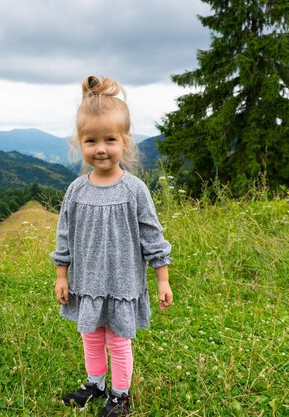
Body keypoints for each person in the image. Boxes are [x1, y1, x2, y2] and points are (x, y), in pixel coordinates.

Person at [51, 75, 173, 417]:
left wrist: (162, 279)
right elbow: (65, 236)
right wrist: (62, 276)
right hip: (87, 283)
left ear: (125, 141)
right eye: (91, 140)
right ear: (80, 143)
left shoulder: (134, 190)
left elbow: (153, 237)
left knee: (118, 341)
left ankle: (120, 395)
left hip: (122, 285)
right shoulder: (76, 190)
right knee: (91, 337)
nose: (100, 148)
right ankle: (95, 384)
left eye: (109, 139)